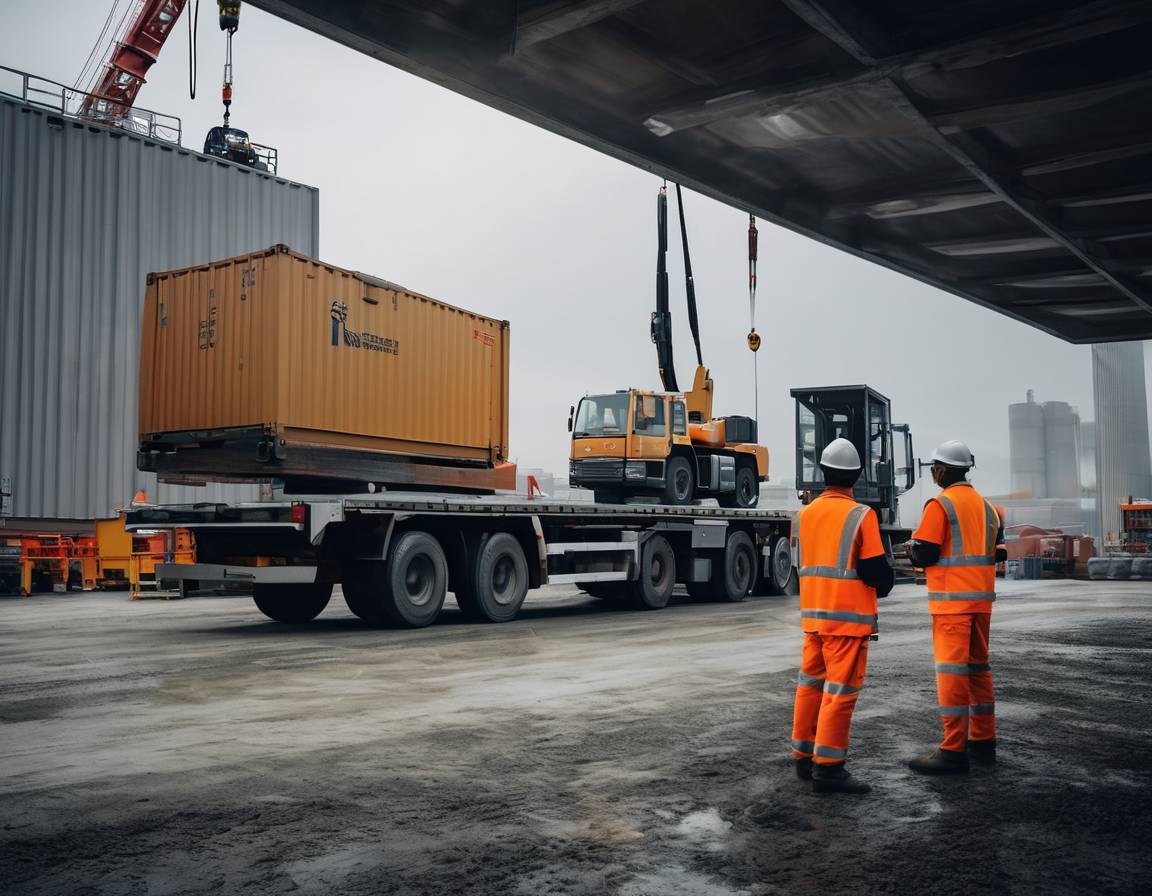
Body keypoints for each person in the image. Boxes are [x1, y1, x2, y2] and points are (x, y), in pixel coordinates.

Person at [790, 438, 894, 794]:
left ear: (822, 471)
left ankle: (804, 757)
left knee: (811, 687)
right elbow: (877, 575)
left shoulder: (803, 515)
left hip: (813, 620)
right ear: (858, 475)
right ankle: (829, 769)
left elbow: (800, 564)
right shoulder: (862, 516)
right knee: (839, 694)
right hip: (847, 623)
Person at [907, 440, 1006, 775]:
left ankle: (952, 751)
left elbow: (926, 553)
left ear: (943, 471)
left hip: (952, 604)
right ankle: (983, 741)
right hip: (981, 602)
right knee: (979, 669)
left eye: (935, 467)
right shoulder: (988, 507)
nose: (933, 472)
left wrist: (912, 551)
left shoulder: (940, 505)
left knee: (952, 673)